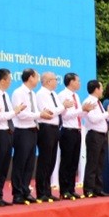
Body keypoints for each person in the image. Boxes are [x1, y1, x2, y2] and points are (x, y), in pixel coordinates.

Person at [11, 68, 53, 204]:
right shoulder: (18, 93)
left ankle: (25, 190)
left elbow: (34, 112)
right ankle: (17, 193)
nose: (38, 80)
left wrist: (41, 113)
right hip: (22, 131)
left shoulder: (33, 94)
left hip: (33, 130)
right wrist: (39, 115)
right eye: (36, 77)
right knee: (20, 162)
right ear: (30, 77)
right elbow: (21, 114)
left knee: (29, 164)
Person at [0, 68, 23, 206]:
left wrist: (14, 112)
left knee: (4, 165)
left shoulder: (5, 95)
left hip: (8, 132)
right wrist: (15, 112)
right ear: (3, 80)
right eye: (9, 79)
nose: (10, 82)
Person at [57, 73, 91, 200]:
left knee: (74, 162)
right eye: (78, 81)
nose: (79, 83)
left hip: (77, 130)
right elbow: (65, 115)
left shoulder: (76, 95)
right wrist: (81, 109)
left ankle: (71, 189)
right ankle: (64, 190)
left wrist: (85, 110)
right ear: (71, 81)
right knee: (66, 161)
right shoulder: (63, 95)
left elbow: (78, 114)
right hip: (67, 130)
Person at [83, 79, 109, 197]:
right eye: (101, 88)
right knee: (93, 162)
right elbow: (94, 119)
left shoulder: (98, 102)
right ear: (96, 89)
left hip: (102, 134)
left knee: (100, 163)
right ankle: (89, 189)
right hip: (94, 134)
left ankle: (98, 188)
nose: (102, 90)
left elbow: (104, 118)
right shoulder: (89, 101)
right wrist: (108, 113)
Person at [34, 71, 64, 202]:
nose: (57, 81)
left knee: (51, 160)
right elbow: (50, 112)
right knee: (45, 160)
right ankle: (41, 191)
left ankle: (47, 190)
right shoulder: (41, 94)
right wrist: (63, 107)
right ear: (47, 81)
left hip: (55, 128)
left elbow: (57, 110)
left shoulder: (54, 94)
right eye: (54, 79)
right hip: (46, 128)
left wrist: (61, 108)